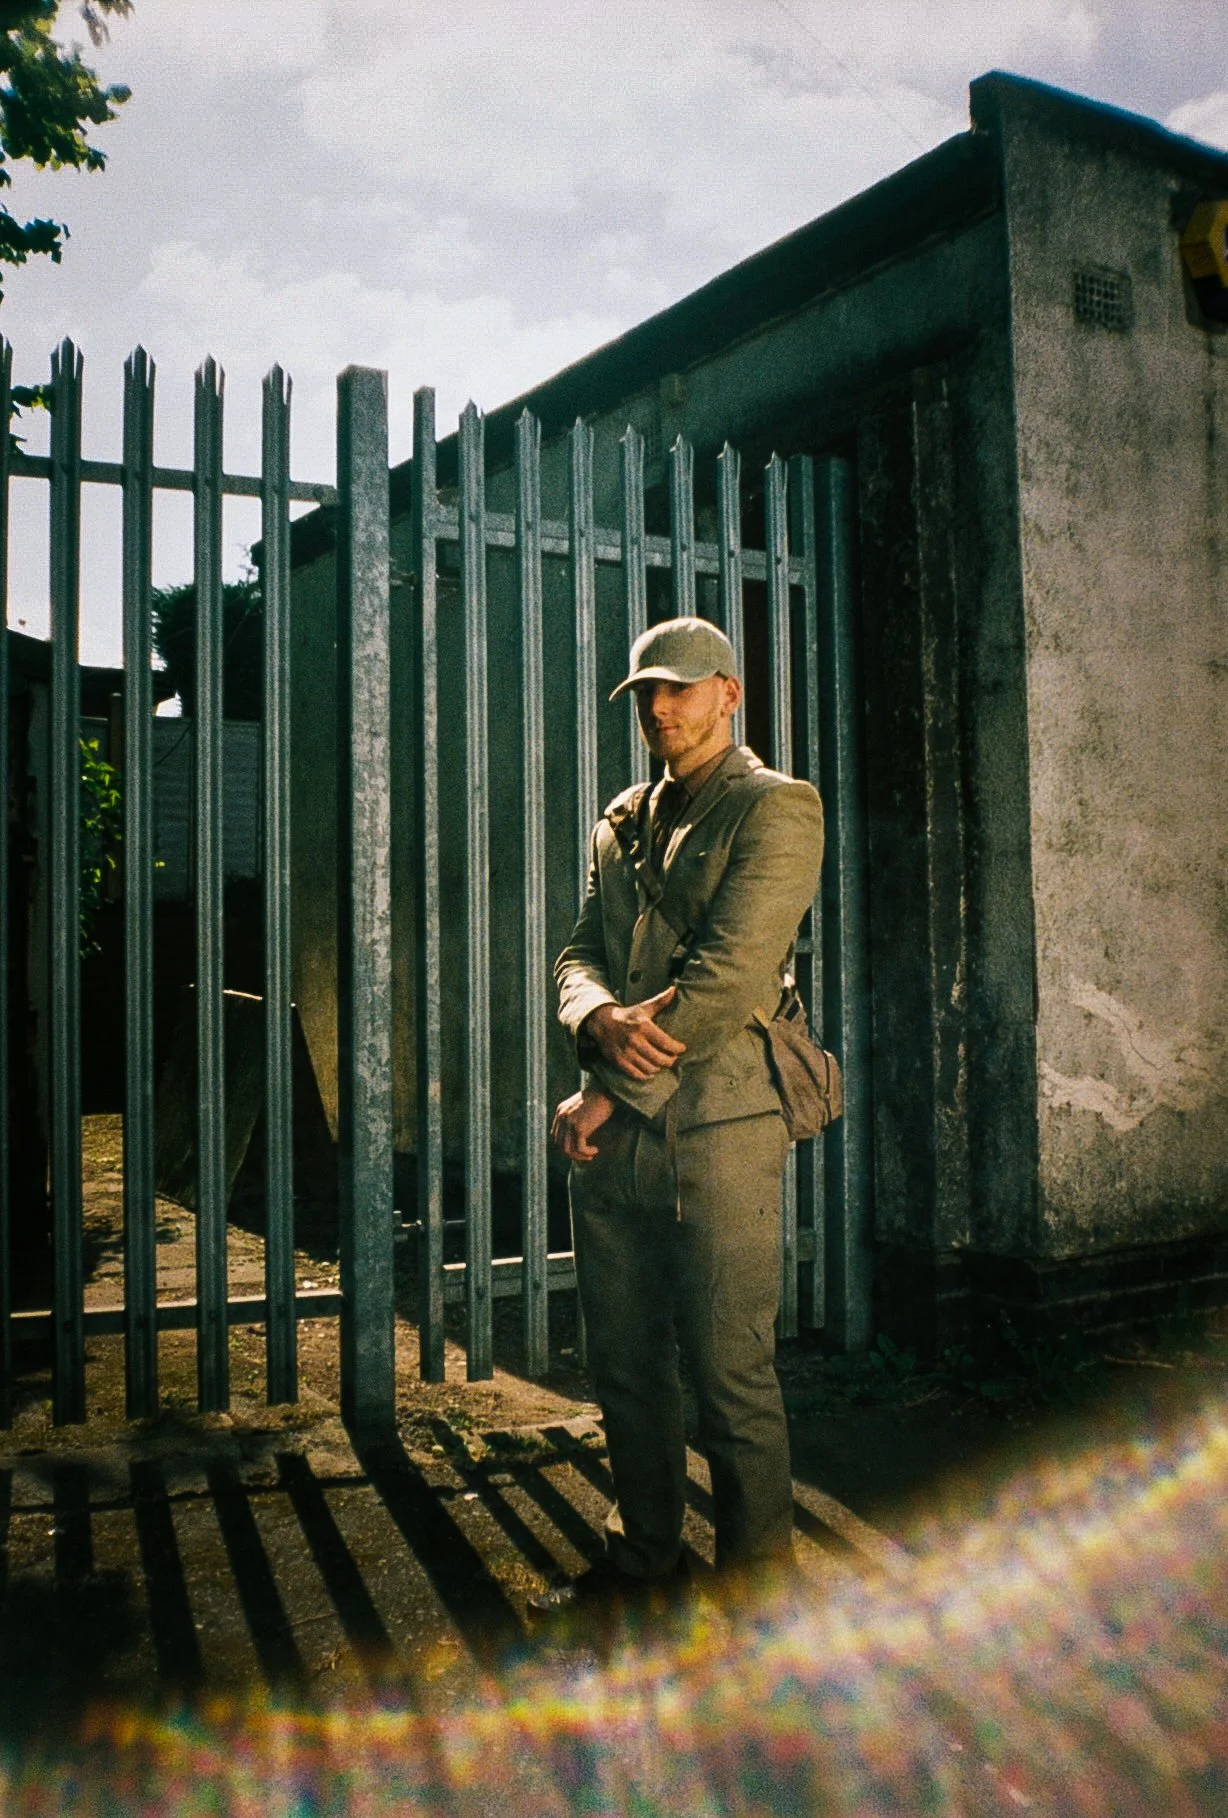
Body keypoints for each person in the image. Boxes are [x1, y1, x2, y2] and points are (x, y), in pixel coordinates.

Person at [545, 615, 824, 1615]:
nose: (659, 708)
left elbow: (720, 984)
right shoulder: (618, 821)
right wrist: (596, 1017)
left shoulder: (777, 811)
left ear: (728, 694)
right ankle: (644, 1556)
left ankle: (758, 1593)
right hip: (616, 1131)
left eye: (679, 688)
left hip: (722, 1132)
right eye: (644, 694)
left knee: (728, 1373)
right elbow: (576, 953)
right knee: (622, 1361)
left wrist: (604, 1091)